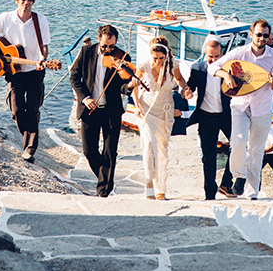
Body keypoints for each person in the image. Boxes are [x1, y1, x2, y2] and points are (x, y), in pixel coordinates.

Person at [210, 19, 273, 199]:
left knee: (257, 151)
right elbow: (213, 66)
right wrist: (226, 75)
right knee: (238, 142)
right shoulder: (239, 53)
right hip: (240, 105)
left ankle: (252, 193)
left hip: (262, 108)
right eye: (258, 35)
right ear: (251, 34)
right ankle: (239, 176)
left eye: (265, 36)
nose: (262, 38)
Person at [0, 0, 49, 164]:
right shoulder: (5, 18)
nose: (27, 2)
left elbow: (44, 46)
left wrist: (43, 58)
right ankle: (28, 138)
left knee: (33, 110)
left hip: (35, 71)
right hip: (13, 72)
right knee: (18, 111)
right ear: (16, 0)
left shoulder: (40, 20)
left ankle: (29, 149)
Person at [70, 24, 136, 198]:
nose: (108, 50)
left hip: (111, 110)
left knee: (109, 151)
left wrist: (129, 86)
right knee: (88, 151)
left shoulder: (122, 57)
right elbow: (75, 77)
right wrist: (85, 97)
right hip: (90, 108)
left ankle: (103, 191)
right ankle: (105, 178)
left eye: (112, 46)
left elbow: (122, 86)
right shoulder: (86, 52)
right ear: (99, 39)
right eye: (105, 46)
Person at [132, 36, 192, 200]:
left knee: (161, 150)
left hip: (165, 111)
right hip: (146, 109)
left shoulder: (174, 65)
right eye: (155, 58)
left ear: (166, 55)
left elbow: (180, 80)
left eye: (161, 58)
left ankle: (161, 187)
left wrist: (185, 89)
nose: (158, 61)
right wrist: (137, 106)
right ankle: (149, 182)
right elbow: (135, 86)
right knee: (149, 144)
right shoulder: (144, 65)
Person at [186, 37, 233, 201]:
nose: (213, 60)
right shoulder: (197, 68)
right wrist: (186, 92)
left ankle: (226, 183)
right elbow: (189, 86)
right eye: (210, 57)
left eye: (217, 57)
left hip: (227, 115)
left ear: (222, 54)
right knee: (208, 157)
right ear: (204, 54)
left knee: (239, 148)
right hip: (206, 116)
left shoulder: (230, 69)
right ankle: (209, 193)